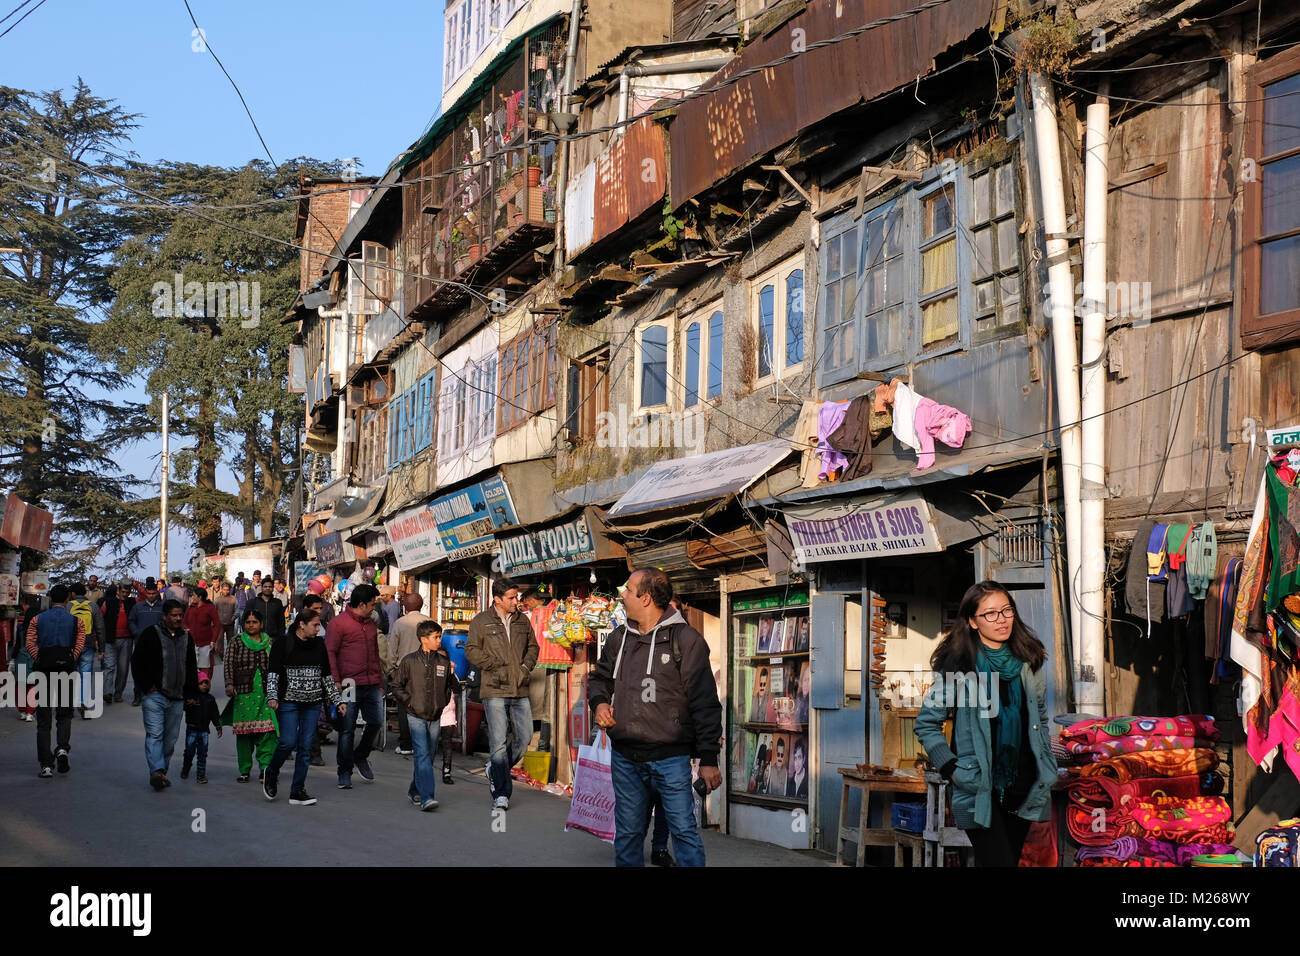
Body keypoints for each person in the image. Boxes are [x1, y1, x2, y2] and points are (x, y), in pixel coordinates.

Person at [915, 581, 1057, 867]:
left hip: (1025, 786)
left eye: (1006, 610)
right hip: (979, 786)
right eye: (990, 614)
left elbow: (1039, 719)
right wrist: (951, 769)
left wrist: (1047, 763)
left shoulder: (1029, 660)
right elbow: (927, 723)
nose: (1001, 619)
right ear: (972, 621)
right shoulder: (960, 664)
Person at [589, 568, 723, 867]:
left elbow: (706, 703)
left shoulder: (687, 640)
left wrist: (709, 759)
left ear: (646, 598)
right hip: (625, 758)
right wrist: (599, 704)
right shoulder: (619, 639)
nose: (622, 595)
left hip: (670, 760)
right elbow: (599, 679)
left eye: (628, 590)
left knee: (684, 833)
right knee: (628, 835)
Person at [466, 578, 538, 811]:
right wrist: (493, 665)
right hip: (494, 687)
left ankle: (495, 768)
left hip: (519, 687)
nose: (516, 601)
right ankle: (501, 792)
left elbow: (533, 647)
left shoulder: (522, 620)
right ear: (497, 599)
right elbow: (471, 650)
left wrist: (526, 668)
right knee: (497, 742)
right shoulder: (481, 621)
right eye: (511, 597)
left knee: (524, 737)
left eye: (516, 597)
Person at [264, 609, 347, 806]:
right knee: (287, 741)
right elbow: (273, 673)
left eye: (319, 625)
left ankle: (297, 790)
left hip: (313, 704)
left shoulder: (319, 645)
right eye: (315, 625)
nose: (318, 629)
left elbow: (326, 676)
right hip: (288, 702)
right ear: (301, 624)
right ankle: (272, 771)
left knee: (305, 746)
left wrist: (338, 700)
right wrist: (273, 696)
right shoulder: (283, 643)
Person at [132, 598, 199, 791]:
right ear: (165, 616)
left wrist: (192, 693)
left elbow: (191, 666)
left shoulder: (186, 637)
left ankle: (161, 773)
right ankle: (157, 770)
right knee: (155, 734)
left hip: (177, 697)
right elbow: (137, 661)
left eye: (180, 615)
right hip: (155, 695)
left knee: (170, 739)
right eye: (174, 615)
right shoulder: (150, 635)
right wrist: (146, 686)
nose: (178, 619)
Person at [392, 620, 460, 811]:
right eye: (436, 637)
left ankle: (414, 790)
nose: (439, 641)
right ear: (423, 639)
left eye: (440, 637)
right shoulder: (409, 661)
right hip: (415, 714)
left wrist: (443, 702)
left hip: (435, 715)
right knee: (422, 754)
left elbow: (450, 687)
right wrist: (409, 701)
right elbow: (396, 686)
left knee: (429, 756)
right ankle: (426, 797)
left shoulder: (444, 662)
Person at [325, 583, 383, 790]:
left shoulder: (371, 625)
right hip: (348, 683)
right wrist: (336, 681)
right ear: (362, 604)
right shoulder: (338, 624)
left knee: (376, 722)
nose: (374, 608)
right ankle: (344, 771)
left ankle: (360, 755)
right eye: (372, 604)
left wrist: (381, 681)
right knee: (347, 729)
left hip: (372, 682)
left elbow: (376, 654)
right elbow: (330, 652)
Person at [26, 584, 85, 778]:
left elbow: (30, 642)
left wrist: (39, 658)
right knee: (64, 714)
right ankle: (62, 748)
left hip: (43, 671)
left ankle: (46, 765)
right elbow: (80, 643)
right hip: (66, 671)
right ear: (68, 600)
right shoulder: (76, 621)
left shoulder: (37, 619)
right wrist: (71, 658)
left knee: (43, 720)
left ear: (51, 599)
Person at [224, 607, 279, 783]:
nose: (251, 625)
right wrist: (229, 684)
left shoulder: (268, 642)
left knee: (267, 732)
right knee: (244, 734)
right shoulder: (237, 641)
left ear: (261, 624)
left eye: (254, 622)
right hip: (243, 693)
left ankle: (265, 769)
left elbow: (276, 666)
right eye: (247, 622)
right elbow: (229, 663)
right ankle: (245, 770)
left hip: (265, 694)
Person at [388, 592, 431, 756]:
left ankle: (406, 744)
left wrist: (392, 670)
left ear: (405, 607)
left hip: (404, 670)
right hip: (426, 668)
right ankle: (422, 742)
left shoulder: (400, 623)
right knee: (424, 705)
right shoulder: (430, 622)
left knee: (405, 707)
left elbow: (393, 651)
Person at [67, 582, 104, 719]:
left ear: (73, 594)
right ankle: (84, 702)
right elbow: (100, 628)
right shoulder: (93, 606)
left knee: (71, 674)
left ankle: (69, 706)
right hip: (88, 644)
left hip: (72, 645)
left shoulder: (69, 606)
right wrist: (101, 648)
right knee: (86, 674)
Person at [126, 582, 165, 706]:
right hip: (140, 643)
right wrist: (136, 632)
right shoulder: (138, 607)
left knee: (156, 669)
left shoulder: (162, 607)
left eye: (154, 593)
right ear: (145, 593)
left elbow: (166, 622)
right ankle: (138, 694)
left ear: (157, 593)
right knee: (139, 669)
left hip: (158, 643)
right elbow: (131, 621)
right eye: (149, 593)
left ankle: (155, 694)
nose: (151, 595)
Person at [182, 671, 222, 782]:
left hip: (204, 731)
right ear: (196, 685)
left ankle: (201, 775)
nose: (204, 685)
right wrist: (188, 703)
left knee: (202, 754)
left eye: (206, 683)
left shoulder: (210, 699)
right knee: (189, 752)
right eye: (201, 683)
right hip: (192, 729)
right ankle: (186, 768)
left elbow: (215, 714)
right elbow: (183, 707)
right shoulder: (192, 698)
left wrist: (218, 726)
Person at [97, 584, 131, 707]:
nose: (125, 594)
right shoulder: (108, 602)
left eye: (127, 592)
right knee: (109, 667)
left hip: (126, 640)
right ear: (118, 591)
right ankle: (108, 693)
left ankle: (118, 693)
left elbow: (144, 596)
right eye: (123, 592)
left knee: (123, 669)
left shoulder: (132, 602)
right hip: (110, 640)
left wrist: (136, 584)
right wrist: (99, 638)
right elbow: (100, 618)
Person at [183, 587, 222, 679]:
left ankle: (205, 687)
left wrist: (213, 640)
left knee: (205, 668)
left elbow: (217, 624)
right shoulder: (190, 607)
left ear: (200, 597)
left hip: (206, 643)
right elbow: (184, 622)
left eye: (194, 595)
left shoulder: (210, 607)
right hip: (191, 643)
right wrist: (186, 629)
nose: (192, 597)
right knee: (192, 667)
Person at [244, 578, 286, 644]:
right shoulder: (253, 602)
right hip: (256, 638)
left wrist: (280, 637)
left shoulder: (277, 603)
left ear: (273, 588)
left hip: (273, 638)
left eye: (270, 587)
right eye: (265, 586)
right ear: (262, 588)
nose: (267, 588)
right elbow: (244, 620)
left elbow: (281, 622)